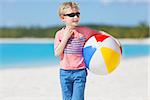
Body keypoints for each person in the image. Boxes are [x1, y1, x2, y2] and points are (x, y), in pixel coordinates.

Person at [54, 2, 105, 100]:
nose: (76, 17)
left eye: (78, 14)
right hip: (64, 73)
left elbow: (100, 34)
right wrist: (65, 38)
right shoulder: (59, 34)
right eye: (71, 15)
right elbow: (57, 53)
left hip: (80, 72)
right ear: (62, 18)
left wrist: (114, 41)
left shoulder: (84, 31)